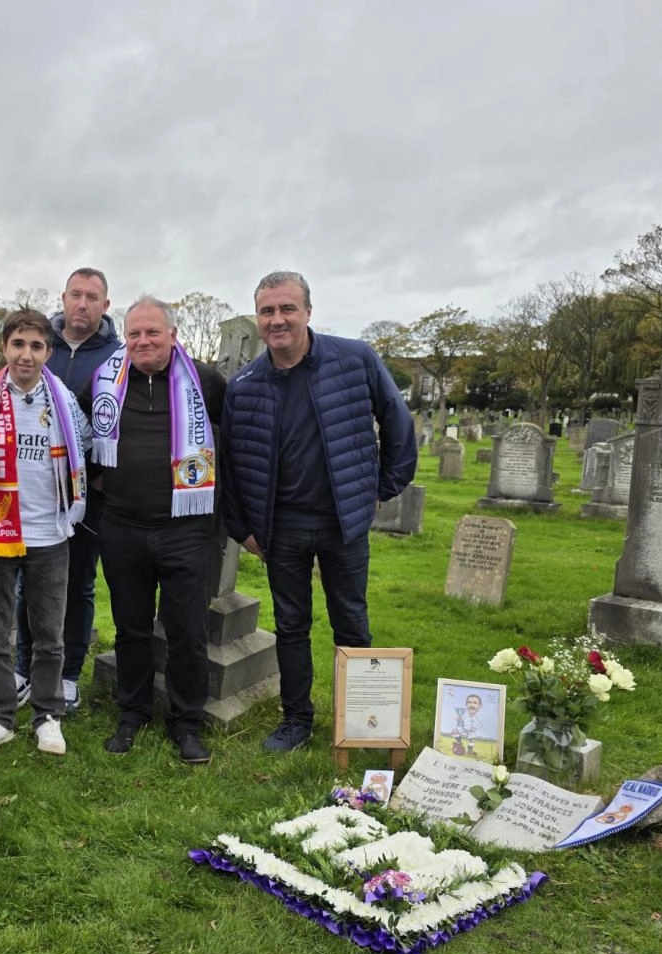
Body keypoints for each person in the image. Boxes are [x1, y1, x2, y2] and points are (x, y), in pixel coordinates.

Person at [221, 270, 418, 752]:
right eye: (267, 310)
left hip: (341, 522)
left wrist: (381, 488)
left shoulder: (354, 359)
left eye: (287, 308)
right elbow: (228, 464)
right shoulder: (244, 384)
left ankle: (366, 720)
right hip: (281, 526)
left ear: (308, 311)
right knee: (291, 626)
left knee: (351, 620)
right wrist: (242, 528)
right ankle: (296, 720)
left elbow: (398, 422)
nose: (277, 319)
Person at [86, 296, 224, 764]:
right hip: (123, 525)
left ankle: (186, 722)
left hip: (184, 527)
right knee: (130, 627)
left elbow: (228, 436)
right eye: (134, 334)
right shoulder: (106, 380)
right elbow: (88, 436)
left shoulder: (205, 381)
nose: (142, 342)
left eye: (152, 333)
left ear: (172, 335)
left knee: (187, 630)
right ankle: (133, 712)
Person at [0, 309, 89, 755]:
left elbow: (84, 447)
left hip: (49, 532)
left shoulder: (64, 402)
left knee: (49, 632)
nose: (26, 354)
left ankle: (47, 715)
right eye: (18, 344)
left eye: (36, 346)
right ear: (4, 348)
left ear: (48, 352)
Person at [15, 268, 122, 713]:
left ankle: (69, 673)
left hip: (88, 494)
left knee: (78, 585)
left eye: (92, 297)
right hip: (35, 491)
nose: (82, 303)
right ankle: (24, 666)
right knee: (28, 582)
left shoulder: (118, 357)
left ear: (105, 305)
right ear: (63, 297)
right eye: (75, 294)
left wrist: (100, 475)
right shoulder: (40, 345)